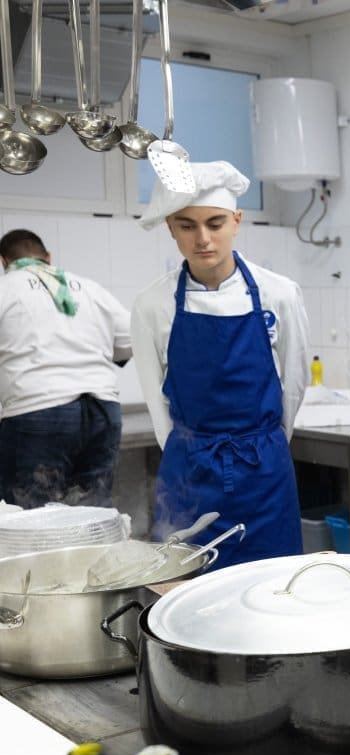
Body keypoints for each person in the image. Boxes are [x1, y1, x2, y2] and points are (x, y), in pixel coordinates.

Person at [130, 161, 309, 566]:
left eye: (215, 223)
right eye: (187, 226)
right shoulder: (152, 304)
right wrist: (189, 453)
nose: (203, 239)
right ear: (170, 227)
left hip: (264, 469)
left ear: (236, 221)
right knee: (187, 584)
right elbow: (157, 402)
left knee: (272, 580)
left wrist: (266, 445)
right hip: (189, 471)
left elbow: (294, 384)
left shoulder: (279, 294)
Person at [0, 229, 131, 508]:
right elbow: (130, 341)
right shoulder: (90, 288)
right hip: (103, 410)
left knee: (32, 518)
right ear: (48, 257)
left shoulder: (6, 288)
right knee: (91, 515)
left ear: (4, 261)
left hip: (38, 411)